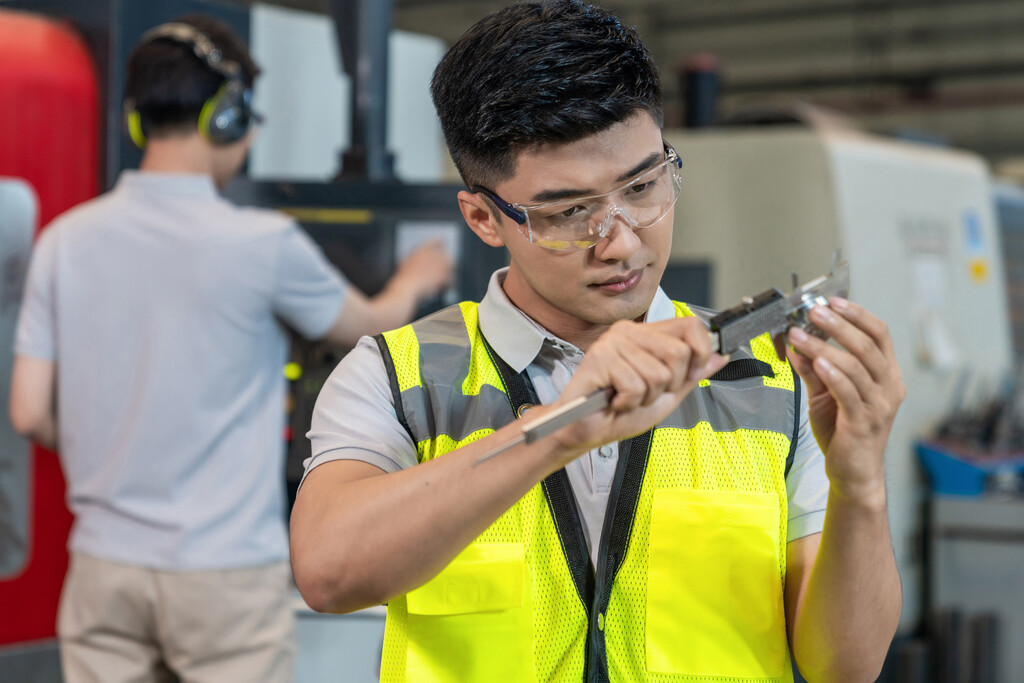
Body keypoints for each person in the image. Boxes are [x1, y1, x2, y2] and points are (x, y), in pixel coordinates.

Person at [290, 1, 904, 681]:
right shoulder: (399, 376)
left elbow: (844, 666)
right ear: (483, 217)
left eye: (643, 185)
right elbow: (328, 571)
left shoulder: (771, 385)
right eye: (569, 211)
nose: (621, 240)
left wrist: (860, 485)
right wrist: (558, 430)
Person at [8, 14, 451, 683]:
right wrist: (417, 278)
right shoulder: (262, 245)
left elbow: (29, 413)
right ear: (231, 114)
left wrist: (119, 444)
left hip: (103, 566)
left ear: (137, 119)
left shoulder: (64, 240)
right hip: (224, 574)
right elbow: (370, 322)